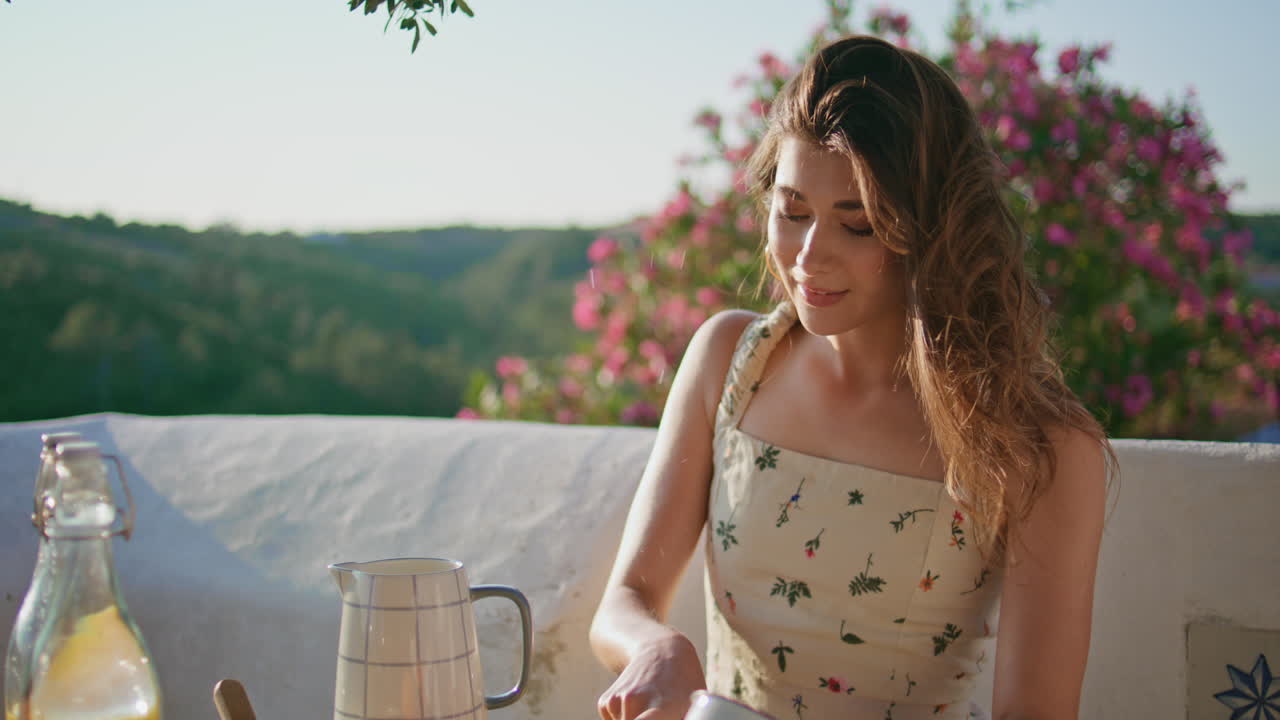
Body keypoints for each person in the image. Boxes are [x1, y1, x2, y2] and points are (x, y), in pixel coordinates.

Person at [589, 34, 1114, 720]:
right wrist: (656, 648)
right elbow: (623, 603)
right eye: (793, 211)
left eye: (857, 224)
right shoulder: (731, 361)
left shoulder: (1039, 442)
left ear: (931, 229)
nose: (808, 256)